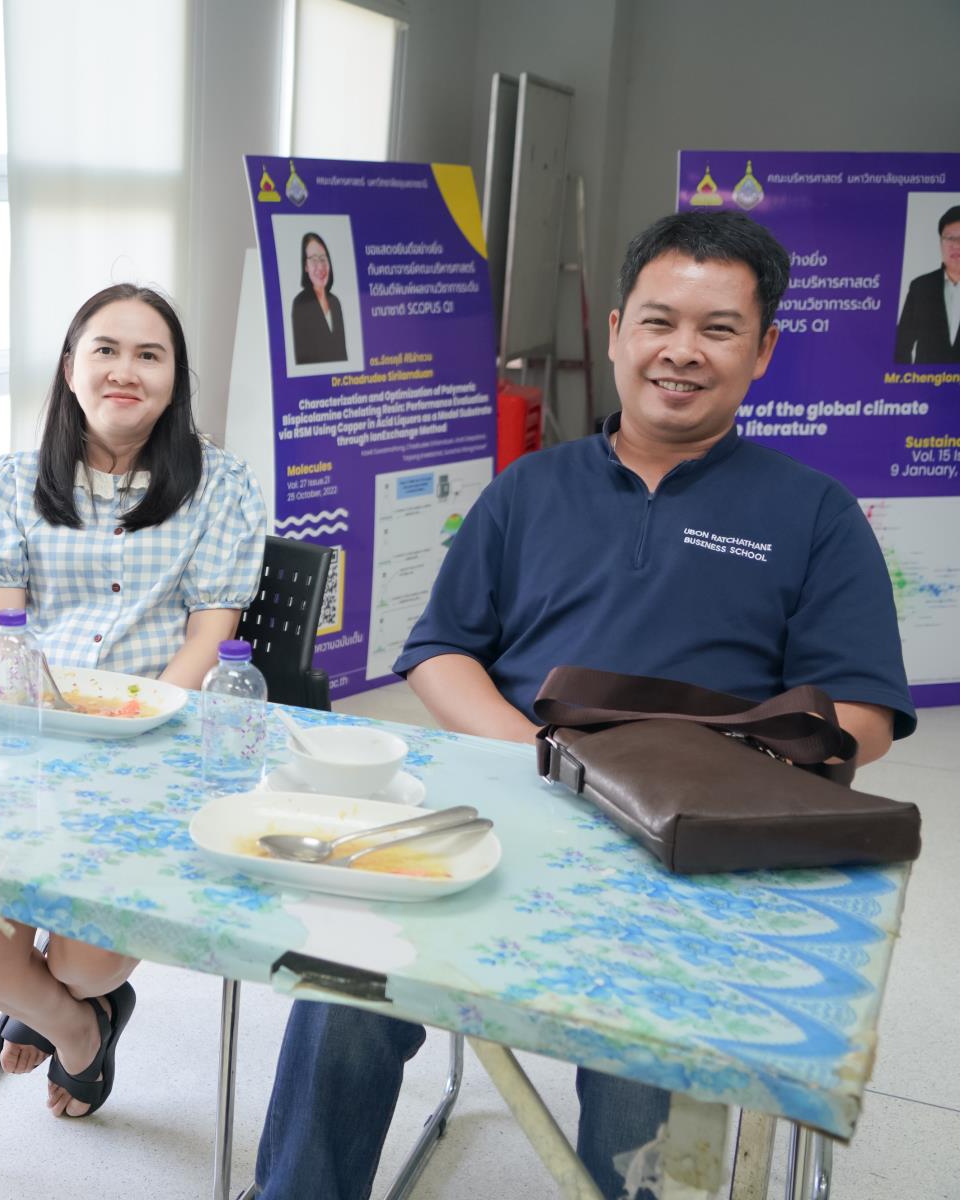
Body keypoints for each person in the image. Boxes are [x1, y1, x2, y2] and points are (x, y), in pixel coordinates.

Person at [252, 210, 915, 1199]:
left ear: (764, 350)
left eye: (719, 329)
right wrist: (544, 757)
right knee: (342, 974)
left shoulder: (815, 515)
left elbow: (861, 717)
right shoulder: (527, 490)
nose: (681, 351)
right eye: (659, 321)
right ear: (615, 332)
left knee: (641, 1074)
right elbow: (438, 653)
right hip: (504, 813)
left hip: (688, 855)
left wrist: (705, 784)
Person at [0, 283, 266, 1118]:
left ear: (174, 378)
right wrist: (43, 732)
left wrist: (133, 723)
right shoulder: (7, 484)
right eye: (106, 350)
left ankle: (57, 996)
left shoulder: (221, 485)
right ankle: (79, 1028)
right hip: (34, 743)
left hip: (153, 748)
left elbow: (209, 637)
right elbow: (3, 638)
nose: (126, 371)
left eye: (149, 355)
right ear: (70, 369)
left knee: (83, 961)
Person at [893, 204, 960, 364]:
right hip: (927, 379)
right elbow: (901, 346)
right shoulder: (920, 287)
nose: (956, 245)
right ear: (941, 242)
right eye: (950, 238)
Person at [291, 232, 348, 365]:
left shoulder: (335, 302)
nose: (320, 266)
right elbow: (302, 360)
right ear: (306, 266)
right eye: (314, 260)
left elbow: (343, 355)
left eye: (323, 259)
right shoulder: (300, 304)